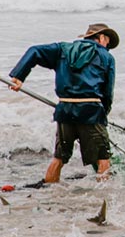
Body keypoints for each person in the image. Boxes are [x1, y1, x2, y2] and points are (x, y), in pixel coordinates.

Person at [8, 23, 118, 183]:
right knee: (103, 158)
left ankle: (51, 193)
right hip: (91, 111)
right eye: (107, 42)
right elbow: (107, 93)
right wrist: (103, 114)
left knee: (59, 158)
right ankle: (104, 196)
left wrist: (19, 77)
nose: (107, 47)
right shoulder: (106, 57)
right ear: (101, 38)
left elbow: (34, 50)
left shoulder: (62, 49)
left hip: (65, 110)